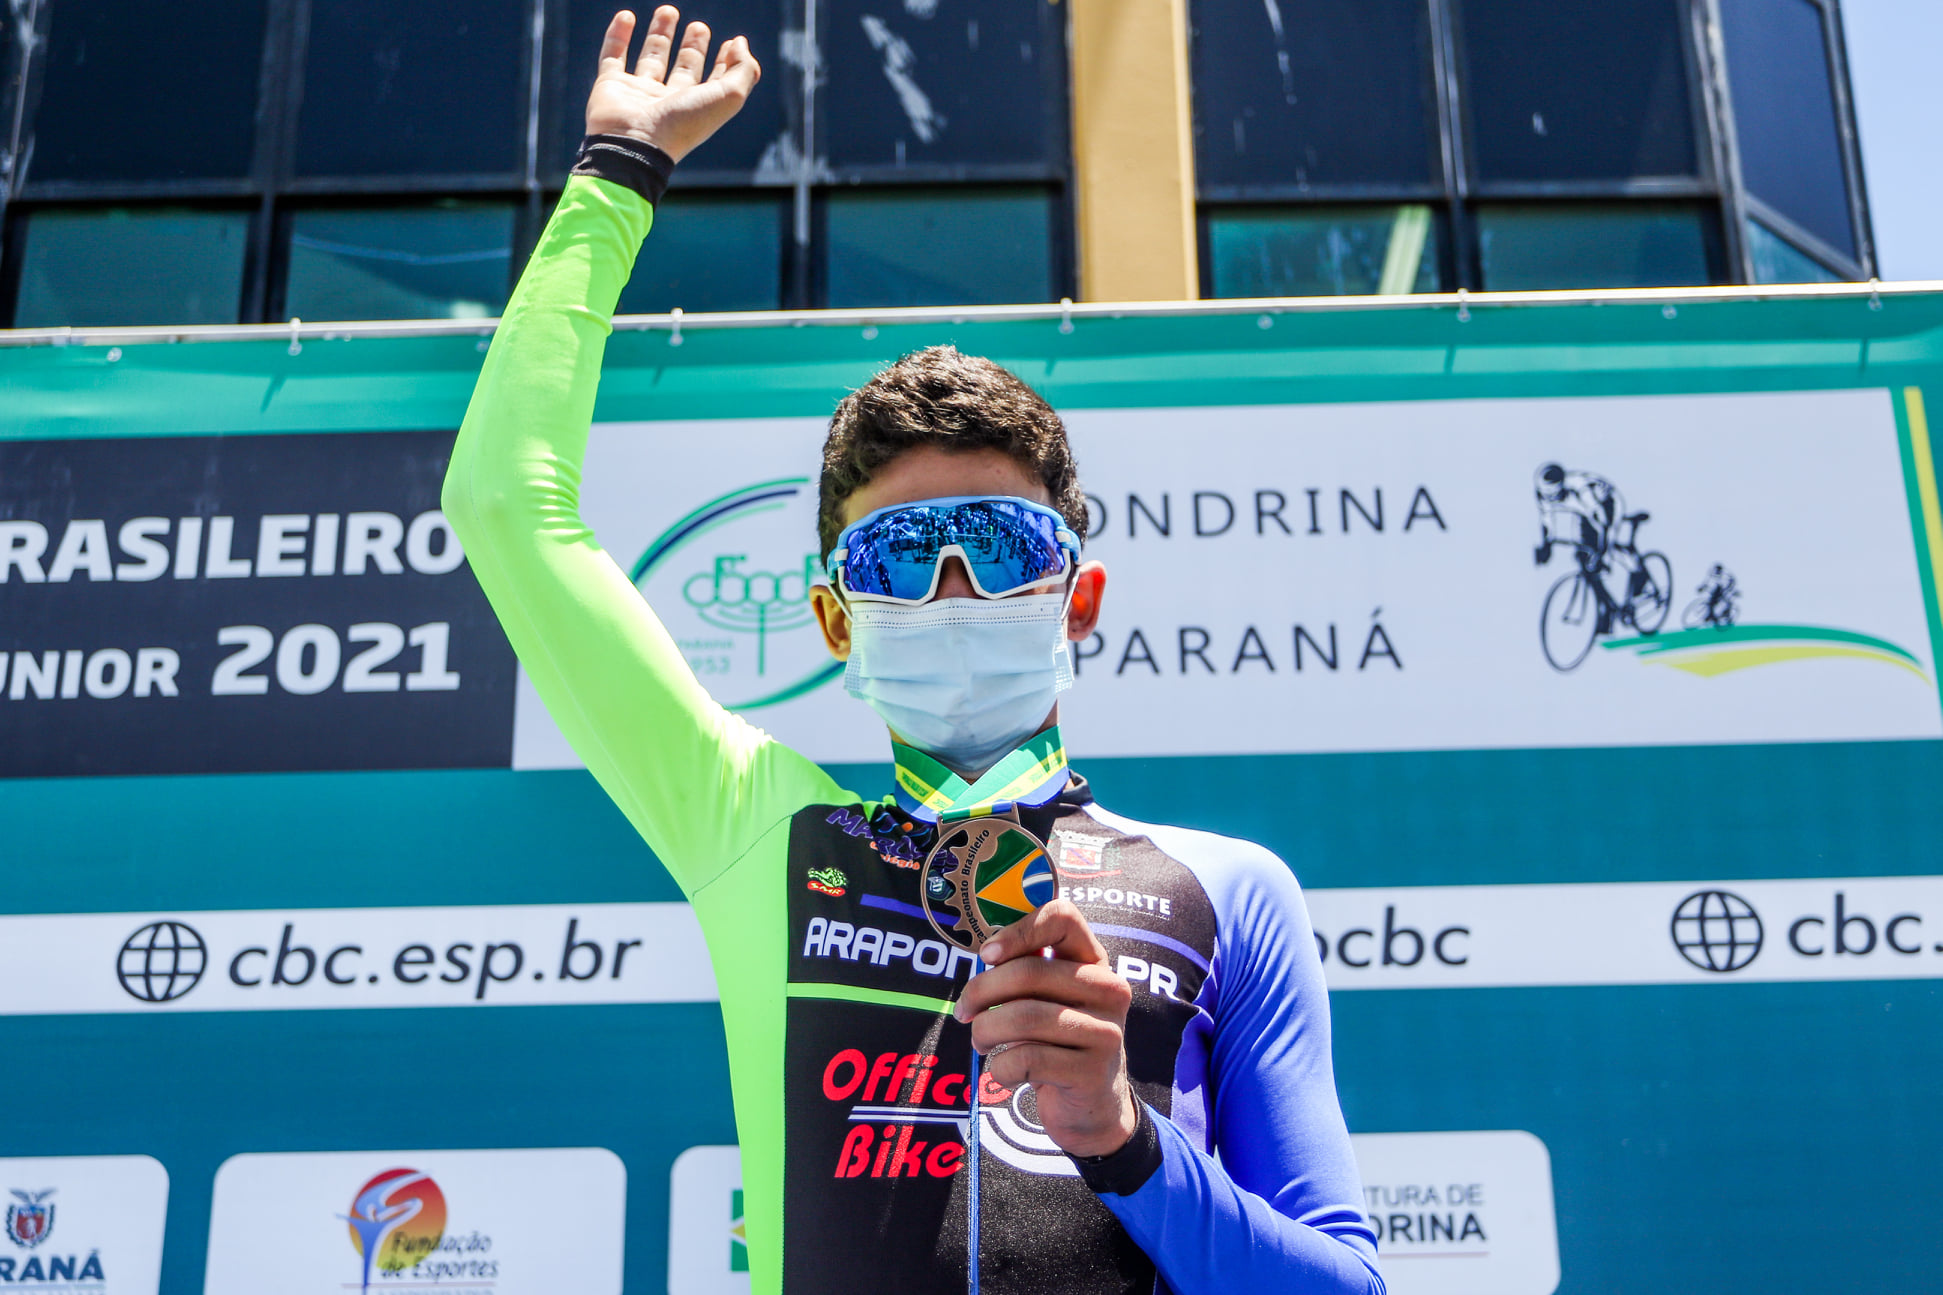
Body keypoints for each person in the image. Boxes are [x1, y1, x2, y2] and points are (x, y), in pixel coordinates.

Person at [442, 9, 1383, 1293]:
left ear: (1078, 595)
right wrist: (615, 175)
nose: (951, 589)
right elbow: (506, 506)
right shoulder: (756, 833)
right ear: (833, 619)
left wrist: (1120, 1135)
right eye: (896, 558)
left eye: (997, 545)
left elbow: (1345, 1287)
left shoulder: (1227, 893)